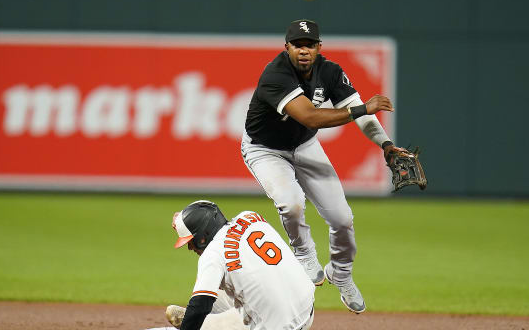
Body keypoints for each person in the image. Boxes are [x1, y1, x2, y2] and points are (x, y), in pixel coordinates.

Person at [241, 19, 405, 313]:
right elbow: (312, 118)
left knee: (342, 218)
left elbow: (364, 117)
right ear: (287, 47)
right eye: (297, 45)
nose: (303, 51)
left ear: (319, 47)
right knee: (291, 203)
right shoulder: (275, 74)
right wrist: (362, 107)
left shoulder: (329, 72)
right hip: (265, 149)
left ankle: (340, 273)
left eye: (309, 45)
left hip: (304, 146)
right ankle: (304, 251)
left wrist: (386, 145)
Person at [166, 200, 315, 330]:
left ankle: (209, 324)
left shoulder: (212, 254)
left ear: (202, 237)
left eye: (190, 241)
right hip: (308, 309)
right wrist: (186, 223)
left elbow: (199, 306)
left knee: (201, 301)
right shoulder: (250, 216)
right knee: (220, 286)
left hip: (281, 327)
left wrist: (191, 322)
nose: (190, 247)